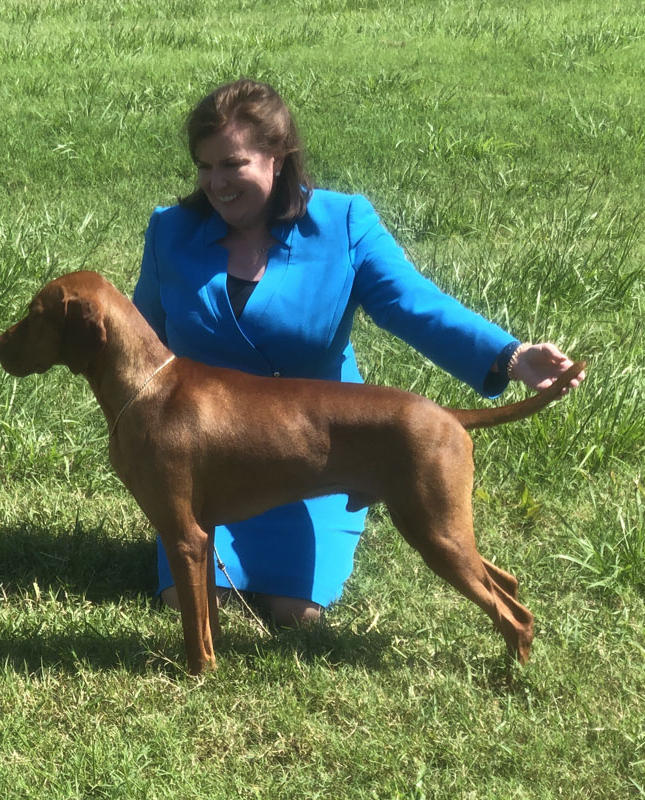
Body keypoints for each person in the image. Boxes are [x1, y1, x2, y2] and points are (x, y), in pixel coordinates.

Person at [132, 79, 584, 627]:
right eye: (205, 167)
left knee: (294, 613)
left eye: (234, 164)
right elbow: (143, 343)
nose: (216, 184)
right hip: (214, 463)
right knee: (194, 601)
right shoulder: (169, 232)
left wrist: (510, 356)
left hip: (320, 449)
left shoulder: (343, 223)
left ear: (278, 157)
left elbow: (415, 305)